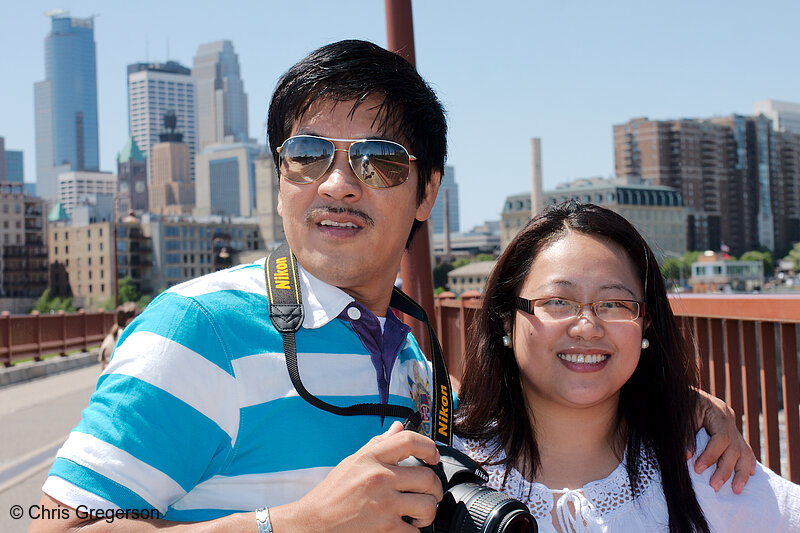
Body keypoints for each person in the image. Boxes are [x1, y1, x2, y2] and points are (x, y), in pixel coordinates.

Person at [31, 41, 750, 533]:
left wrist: (677, 400)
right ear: (279, 177)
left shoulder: (413, 354)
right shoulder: (199, 327)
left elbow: (532, 413)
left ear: (426, 190)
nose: (338, 184)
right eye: (308, 155)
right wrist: (297, 523)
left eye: (377, 161)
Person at [454, 201, 800, 532]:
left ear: (646, 324)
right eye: (557, 301)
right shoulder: (446, 472)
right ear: (505, 320)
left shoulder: (708, 470)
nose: (587, 327)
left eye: (615, 303)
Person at [97, 302, 138, 370]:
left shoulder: (109, 337)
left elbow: (103, 364)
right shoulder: (128, 338)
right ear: (129, 320)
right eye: (137, 316)